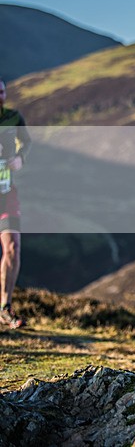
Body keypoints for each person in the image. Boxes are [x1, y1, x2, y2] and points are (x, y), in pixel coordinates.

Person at [0, 77, 31, 330]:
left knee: (13, 248)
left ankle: (4, 308)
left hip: (6, 192)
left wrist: (20, 158)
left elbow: (27, 141)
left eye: (2, 92)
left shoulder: (13, 117)